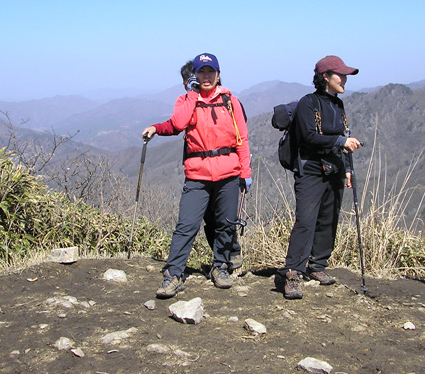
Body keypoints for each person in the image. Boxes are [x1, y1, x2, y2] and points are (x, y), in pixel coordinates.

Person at [146, 53, 251, 298]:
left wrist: (245, 172)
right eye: (201, 72)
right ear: (194, 75)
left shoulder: (230, 101)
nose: (206, 76)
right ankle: (173, 274)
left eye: (210, 71)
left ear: (218, 74)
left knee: (225, 224)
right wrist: (193, 94)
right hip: (197, 174)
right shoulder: (185, 100)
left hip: (228, 172)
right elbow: (179, 123)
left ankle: (221, 267)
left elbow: (242, 139)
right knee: (187, 225)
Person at [277, 55, 362, 299]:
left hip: (334, 168)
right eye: (340, 75)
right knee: (306, 220)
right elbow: (309, 137)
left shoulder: (338, 104)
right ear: (325, 76)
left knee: (328, 218)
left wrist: (347, 168)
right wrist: (340, 141)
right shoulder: (308, 103)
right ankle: (292, 273)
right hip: (311, 170)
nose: (344, 79)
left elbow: (342, 137)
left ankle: (318, 266)